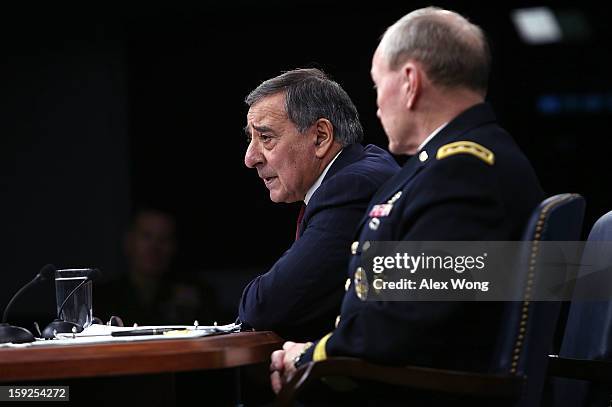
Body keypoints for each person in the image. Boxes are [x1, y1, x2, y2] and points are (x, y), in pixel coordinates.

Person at [270, 7, 545, 395]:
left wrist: (310, 355)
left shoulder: (463, 171)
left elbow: (406, 321)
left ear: (410, 82)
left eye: (378, 84)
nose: (378, 103)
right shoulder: (460, 163)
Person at [238, 68, 399, 342]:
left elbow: (268, 305)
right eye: (250, 139)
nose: (250, 158)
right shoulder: (361, 168)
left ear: (321, 136)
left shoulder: (351, 188)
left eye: (266, 138)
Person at [95, 207, 214, 326]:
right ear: (129, 241)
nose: (154, 248)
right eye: (146, 236)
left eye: (164, 238)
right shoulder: (101, 299)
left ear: (174, 246)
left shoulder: (195, 297)